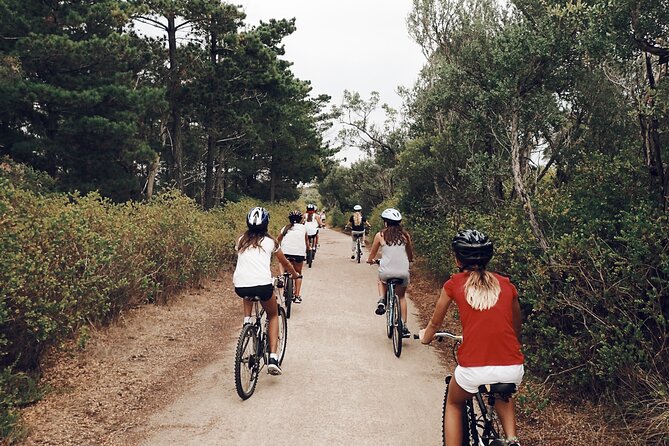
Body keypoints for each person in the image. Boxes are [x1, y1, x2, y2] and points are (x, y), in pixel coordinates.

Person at [420, 229, 523, 446]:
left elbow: (434, 323)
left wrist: (426, 338)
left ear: (457, 259)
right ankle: (512, 440)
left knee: (454, 403)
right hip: (512, 367)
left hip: (473, 369)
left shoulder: (454, 284)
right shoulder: (506, 284)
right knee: (504, 393)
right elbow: (515, 327)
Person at [233, 206, 300, 376]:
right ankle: (273, 358)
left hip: (240, 286)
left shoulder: (241, 239)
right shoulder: (271, 242)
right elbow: (284, 263)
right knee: (273, 314)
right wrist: (294, 274)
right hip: (263, 286)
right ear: (266, 224)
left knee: (247, 286)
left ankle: (247, 321)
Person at [366, 208, 414, 335]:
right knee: (402, 297)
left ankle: (382, 299)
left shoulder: (380, 235)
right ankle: (403, 326)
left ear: (385, 222)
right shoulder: (405, 235)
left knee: (381, 280)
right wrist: (410, 260)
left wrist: (371, 260)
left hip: (386, 272)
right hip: (403, 272)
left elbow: (372, 254)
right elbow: (410, 255)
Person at [277, 210, 308, 303]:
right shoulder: (303, 228)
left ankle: (282, 276)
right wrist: (309, 248)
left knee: (281, 261)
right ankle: (297, 295)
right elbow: (306, 242)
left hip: (286, 252)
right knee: (298, 273)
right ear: (300, 219)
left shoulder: (285, 228)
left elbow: (278, 240)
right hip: (299, 253)